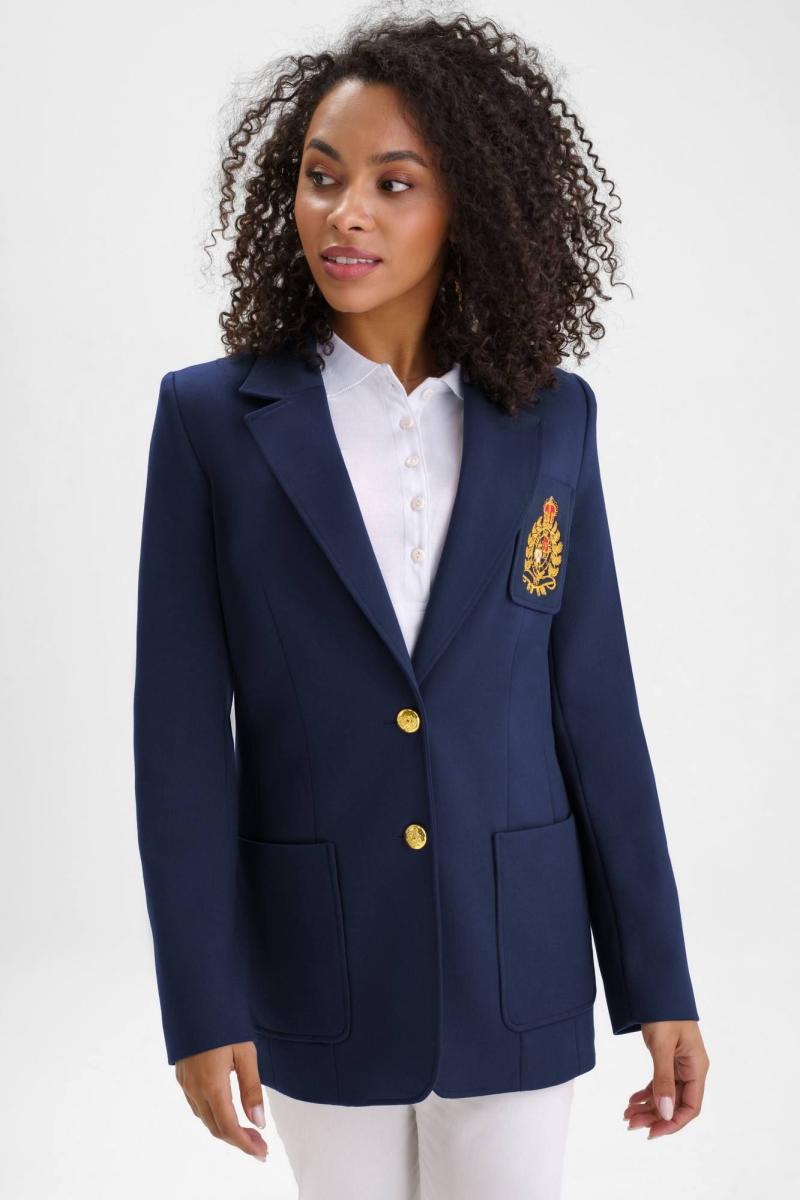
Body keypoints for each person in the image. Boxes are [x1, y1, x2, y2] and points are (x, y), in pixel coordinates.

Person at [133, 10, 709, 1198]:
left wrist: (656, 982)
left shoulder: (550, 420)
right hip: (316, 964)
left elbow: (593, 712)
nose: (345, 214)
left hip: (519, 959)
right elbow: (179, 739)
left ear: (469, 209)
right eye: (322, 177)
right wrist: (200, 1001)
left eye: (393, 185)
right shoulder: (210, 424)